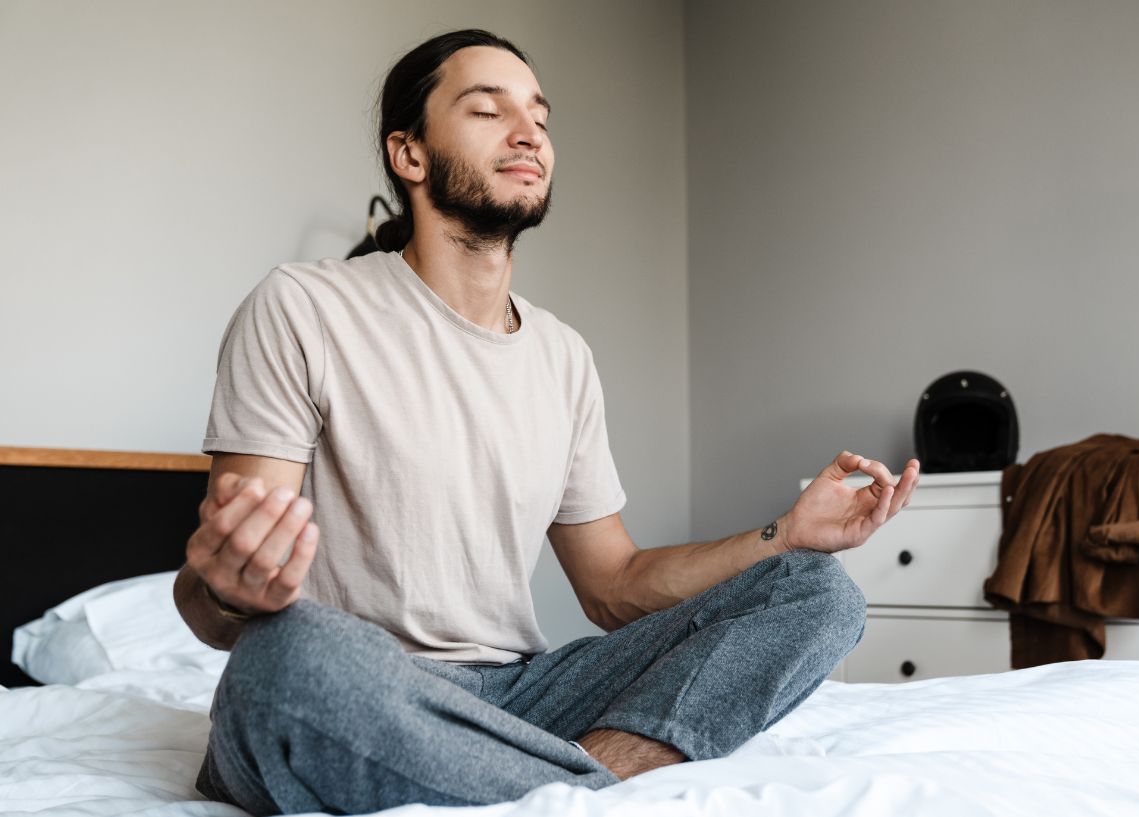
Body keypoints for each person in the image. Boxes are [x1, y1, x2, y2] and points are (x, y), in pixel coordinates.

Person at [175, 28, 920, 816]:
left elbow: (613, 586)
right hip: (360, 678)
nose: (529, 132)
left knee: (819, 593)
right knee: (288, 656)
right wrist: (222, 589)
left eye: (539, 114)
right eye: (487, 110)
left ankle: (571, 789)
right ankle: (591, 790)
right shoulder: (303, 307)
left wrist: (786, 535)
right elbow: (218, 600)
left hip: (517, 694)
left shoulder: (563, 355)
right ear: (410, 154)